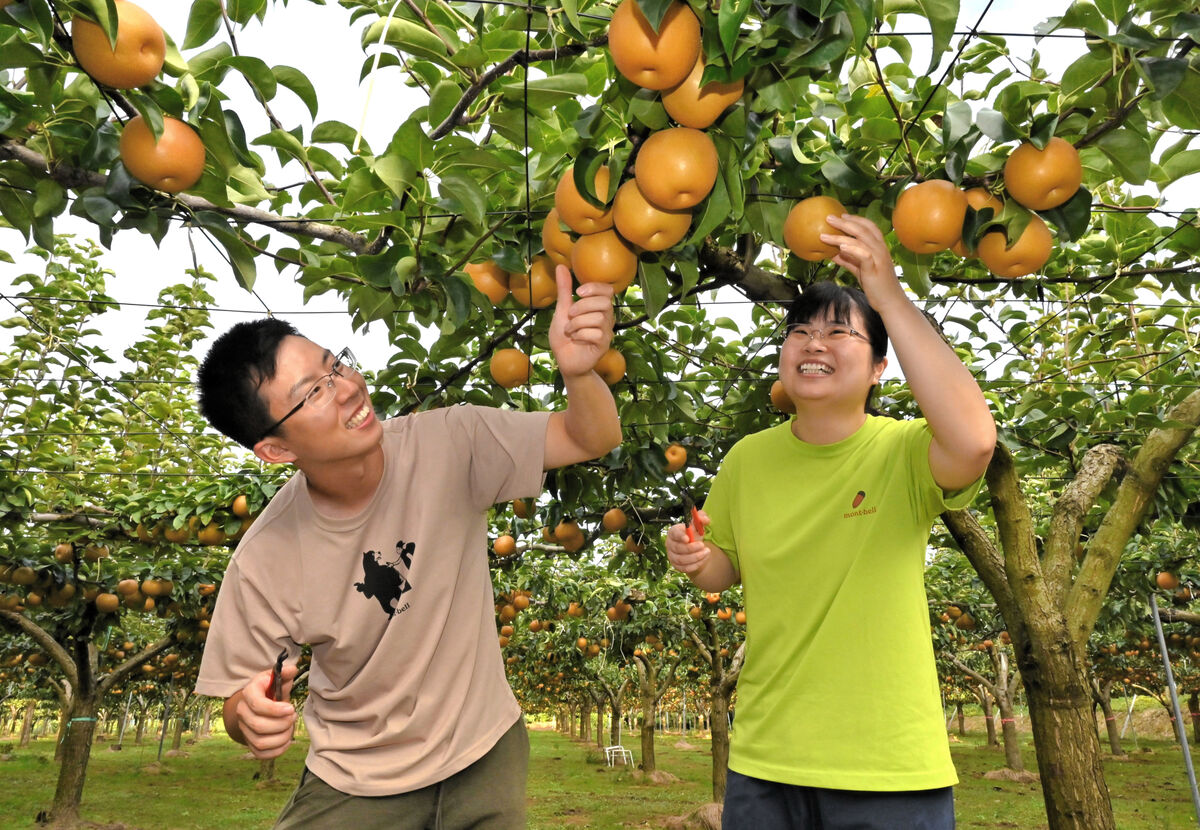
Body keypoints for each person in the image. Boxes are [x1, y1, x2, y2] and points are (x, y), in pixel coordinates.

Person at [193, 265, 621, 829]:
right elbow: (237, 696)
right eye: (315, 392)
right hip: (358, 776)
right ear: (274, 450)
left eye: (335, 363)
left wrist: (581, 374)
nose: (348, 387)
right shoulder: (265, 559)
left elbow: (592, 436)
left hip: (482, 749)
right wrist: (247, 718)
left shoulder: (450, 443)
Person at [666, 214, 996, 830]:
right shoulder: (748, 458)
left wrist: (887, 294)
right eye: (800, 331)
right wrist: (692, 556)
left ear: (879, 369)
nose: (813, 343)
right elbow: (724, 569)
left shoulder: (904, 452)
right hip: (768, 758)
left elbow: (976, 442)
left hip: (886, 763)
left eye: (840, 332)